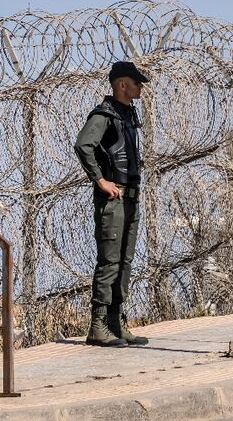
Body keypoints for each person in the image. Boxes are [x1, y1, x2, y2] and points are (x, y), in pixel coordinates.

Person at [73, 61, 150, 347]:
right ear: (121, 84)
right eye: (136, 82)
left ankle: (117, 322)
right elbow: (83, 145)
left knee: (125, 262)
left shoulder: (127, 115)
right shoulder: (104, 115)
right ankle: (97, 326)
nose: (140, 86)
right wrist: (100, 180)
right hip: (113, 201)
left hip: (131, 198)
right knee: (109, 262)